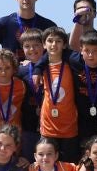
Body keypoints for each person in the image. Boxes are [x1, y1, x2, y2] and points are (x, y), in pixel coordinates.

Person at [32, 26, 81, 162]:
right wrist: (37, 69)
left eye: (58, 41)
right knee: (47, 165)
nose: (54, 44)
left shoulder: (71, 65)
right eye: (50, 41)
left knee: (69, 166)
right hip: (48, 127)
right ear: (44, 44)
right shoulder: (40, 67)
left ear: (64, 44)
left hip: (69, 126)